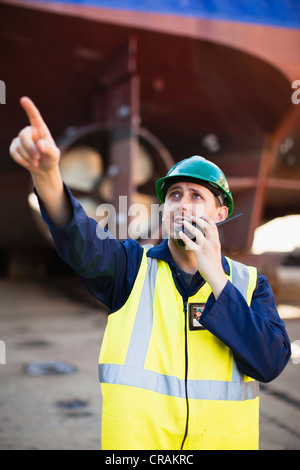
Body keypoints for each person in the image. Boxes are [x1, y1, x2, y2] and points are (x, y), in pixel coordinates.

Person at [10, 97, 291, 450]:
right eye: (174, 195)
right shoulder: (131, 267)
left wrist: (217, 278)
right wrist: (47, 174)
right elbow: (80, 237)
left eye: (196, 197)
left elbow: (270, 363)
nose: (183, 205)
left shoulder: (250, 285)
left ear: (220, 214)